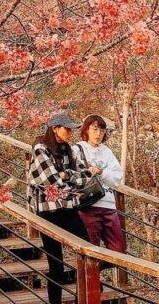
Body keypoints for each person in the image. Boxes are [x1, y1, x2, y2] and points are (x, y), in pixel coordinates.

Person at [28, 112, 98, 304]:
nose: (70, 132)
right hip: (47, 210)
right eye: (66, 128)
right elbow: (52, 182)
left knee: (87, 249)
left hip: (67, 208)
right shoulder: (40, 148)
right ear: (54, 128)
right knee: (56, 264)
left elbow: (86, 177)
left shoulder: (70, 150)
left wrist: (66, 175)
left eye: (71, 128)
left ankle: (81, 299)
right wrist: (67, 180)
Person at [74, 114, 127, 255]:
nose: (98, 134)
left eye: (102, 131)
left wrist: (101, 172)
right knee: (91, 252)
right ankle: (88, 275)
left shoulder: (107, 152)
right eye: (94, 129)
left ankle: (94, 270)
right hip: (89, 205)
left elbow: (117, 179)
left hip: (109, 205)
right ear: (86, 130)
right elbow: (71, 174)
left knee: (119, 252)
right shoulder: (78, 149)